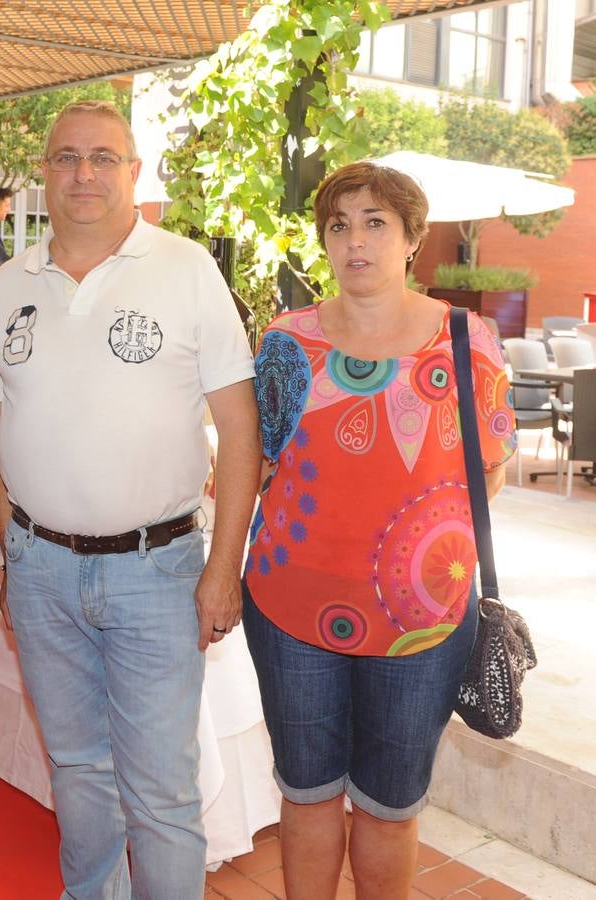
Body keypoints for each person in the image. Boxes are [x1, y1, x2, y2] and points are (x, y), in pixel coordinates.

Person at [0, 100, 260, 899]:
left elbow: (240, 430)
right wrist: (14, 555)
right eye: (66, 157)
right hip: (41, 571)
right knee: (77, 769)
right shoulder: (8, 283)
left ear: (134, 172)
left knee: (162, 790)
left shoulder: (187, 269)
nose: (84, 173)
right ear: (43, 172)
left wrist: (223, 568)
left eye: (104, 157)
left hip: (158, 570)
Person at [242, 161, 513, 900]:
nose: (355, 241)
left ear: (410, 239)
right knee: (306, 794)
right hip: (291, 607)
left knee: (391, 809)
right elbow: (259, 462)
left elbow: (488, 469)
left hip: (419, 622)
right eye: (339, 225)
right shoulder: (285, 342)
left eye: (374, 224)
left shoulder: (465, 339)